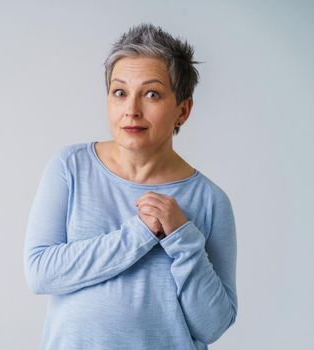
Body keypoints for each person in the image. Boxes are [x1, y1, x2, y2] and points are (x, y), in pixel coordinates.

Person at [23, 23, 237, 350]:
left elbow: (213, 325)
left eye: (152, 94)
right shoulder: (70, 167)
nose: (132, 110)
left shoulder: (210, 201)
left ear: (183, 109)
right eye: (120, 92)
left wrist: (183, 238)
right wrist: (138, 234)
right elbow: (40, 273)